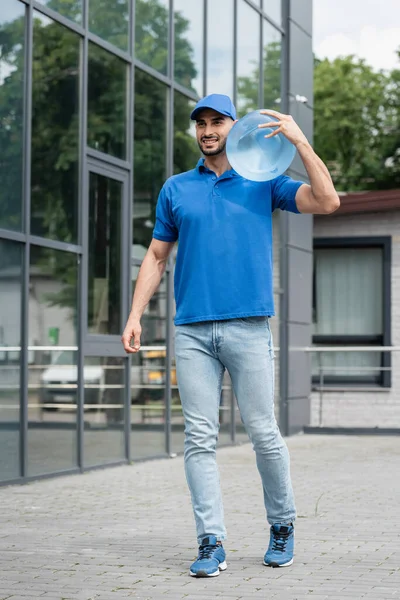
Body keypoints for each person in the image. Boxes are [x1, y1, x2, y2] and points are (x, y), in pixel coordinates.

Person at [122, 94, 339, 578]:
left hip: (248, 326)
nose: (207, 129)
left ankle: (282, 525)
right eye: (200, 123)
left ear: (234, 127)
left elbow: (327, 201)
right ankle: (210, 541)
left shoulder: (263, 181)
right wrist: (136, 313)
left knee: (264, 433)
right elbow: (157, 257)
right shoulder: (176, 189)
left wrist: (300, 141)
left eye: (216, 121)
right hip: (193, 331)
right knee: (199, 438)